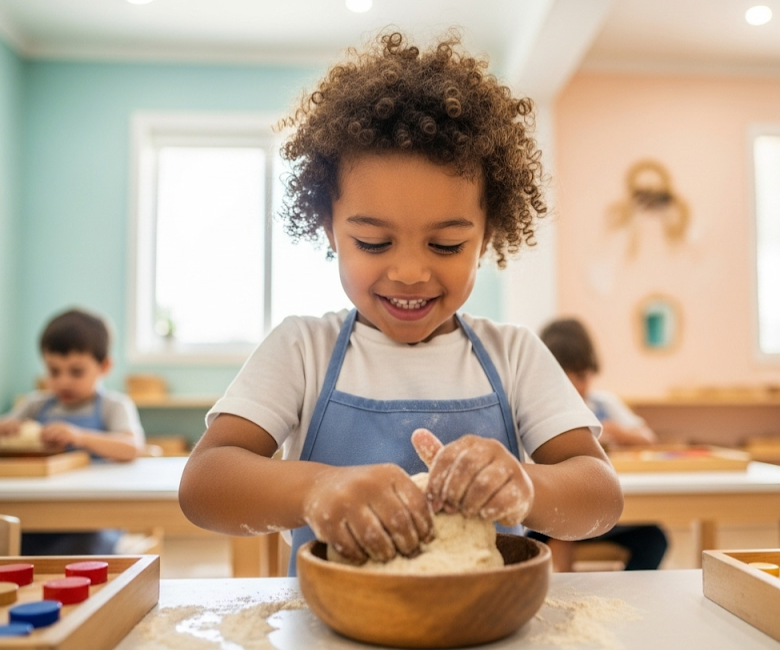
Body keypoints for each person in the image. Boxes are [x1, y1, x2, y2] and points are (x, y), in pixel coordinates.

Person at [179, 31, 624, 576]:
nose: (411, 272)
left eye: (446, 245)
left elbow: (601, 497)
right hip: (332, 628)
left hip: (480, 623)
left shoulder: (514, 356)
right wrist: (319, 487)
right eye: (372, 242)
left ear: (485, 238)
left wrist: (526, 484)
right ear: (330, 230)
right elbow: (204, 484)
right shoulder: (302, 350)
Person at [0, 308, 145, 554]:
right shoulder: (36, 404)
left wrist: (80, 436)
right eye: (54, 371)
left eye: (76, 372)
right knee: (2, 545)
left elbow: (132, 447)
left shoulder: (113, 406)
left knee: (81, 550)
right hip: (36, 516)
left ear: (104, 366)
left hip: (93, 520)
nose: (63, 381)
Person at [536, 317, 669, 571]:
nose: (575, 387)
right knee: (562, 532)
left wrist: (615, 432)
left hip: (605, 511)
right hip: (554, 516)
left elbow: (649, 439)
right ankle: (563, 598)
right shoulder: (540, 410)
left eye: (582, 376)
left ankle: (627, 600)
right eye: (564, 378)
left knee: (655, 540)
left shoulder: (602, 405)